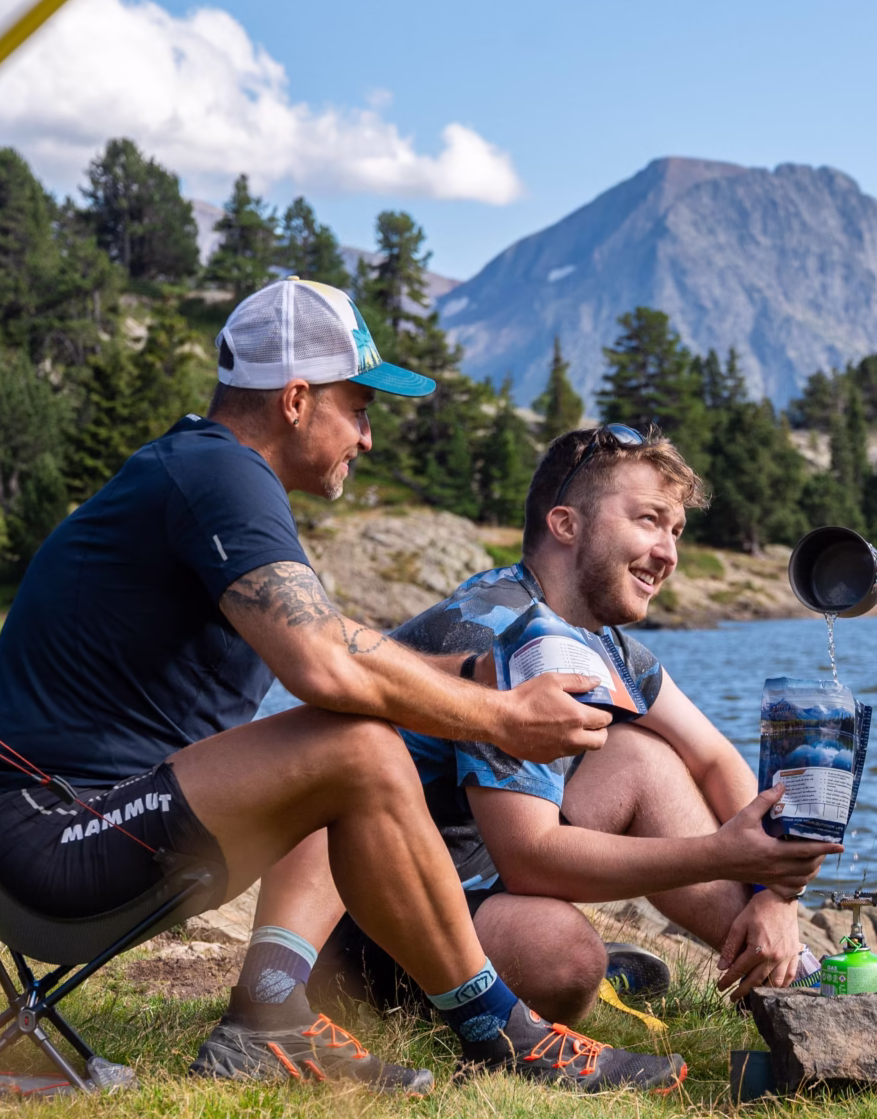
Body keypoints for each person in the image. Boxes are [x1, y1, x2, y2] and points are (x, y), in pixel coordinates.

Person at [0, 277, 688, 1095]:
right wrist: (502, 715)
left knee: (353, 725)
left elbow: (342, 643)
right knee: (356, 741)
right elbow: (323, 663)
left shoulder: (207, 471)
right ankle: (502, 1035)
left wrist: (474, 673)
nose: (367, 438)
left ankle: (270, 1011)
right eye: (358, 408)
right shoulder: (217, 475)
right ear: (297, 399)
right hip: (49, 837)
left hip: (82, 817)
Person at [285, 426, 829, 1028]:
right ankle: (757, 992)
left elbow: (713, 757)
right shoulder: (500, 630)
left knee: (643, 759)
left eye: (676, 531)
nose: (669, 553)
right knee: (564, 956)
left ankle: (789, 983)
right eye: (648, 520)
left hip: (471, 882)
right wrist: (719, 854)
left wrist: (775, 897)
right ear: (566, 524)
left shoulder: (600, 641)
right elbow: (530, 860)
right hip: (376, 925)